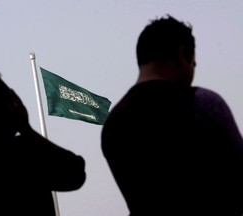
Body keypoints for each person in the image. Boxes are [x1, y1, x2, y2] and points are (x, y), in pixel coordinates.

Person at [101, 15, 243, 216]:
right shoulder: (202, 104)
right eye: (194, 62)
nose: (194, 68)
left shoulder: (113, 125)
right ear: (182, 54)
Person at [0, 68, 86, 215]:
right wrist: (26, 129)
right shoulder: (24, 153)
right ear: (6, 106)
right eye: (10, 100)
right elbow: (75, 174)